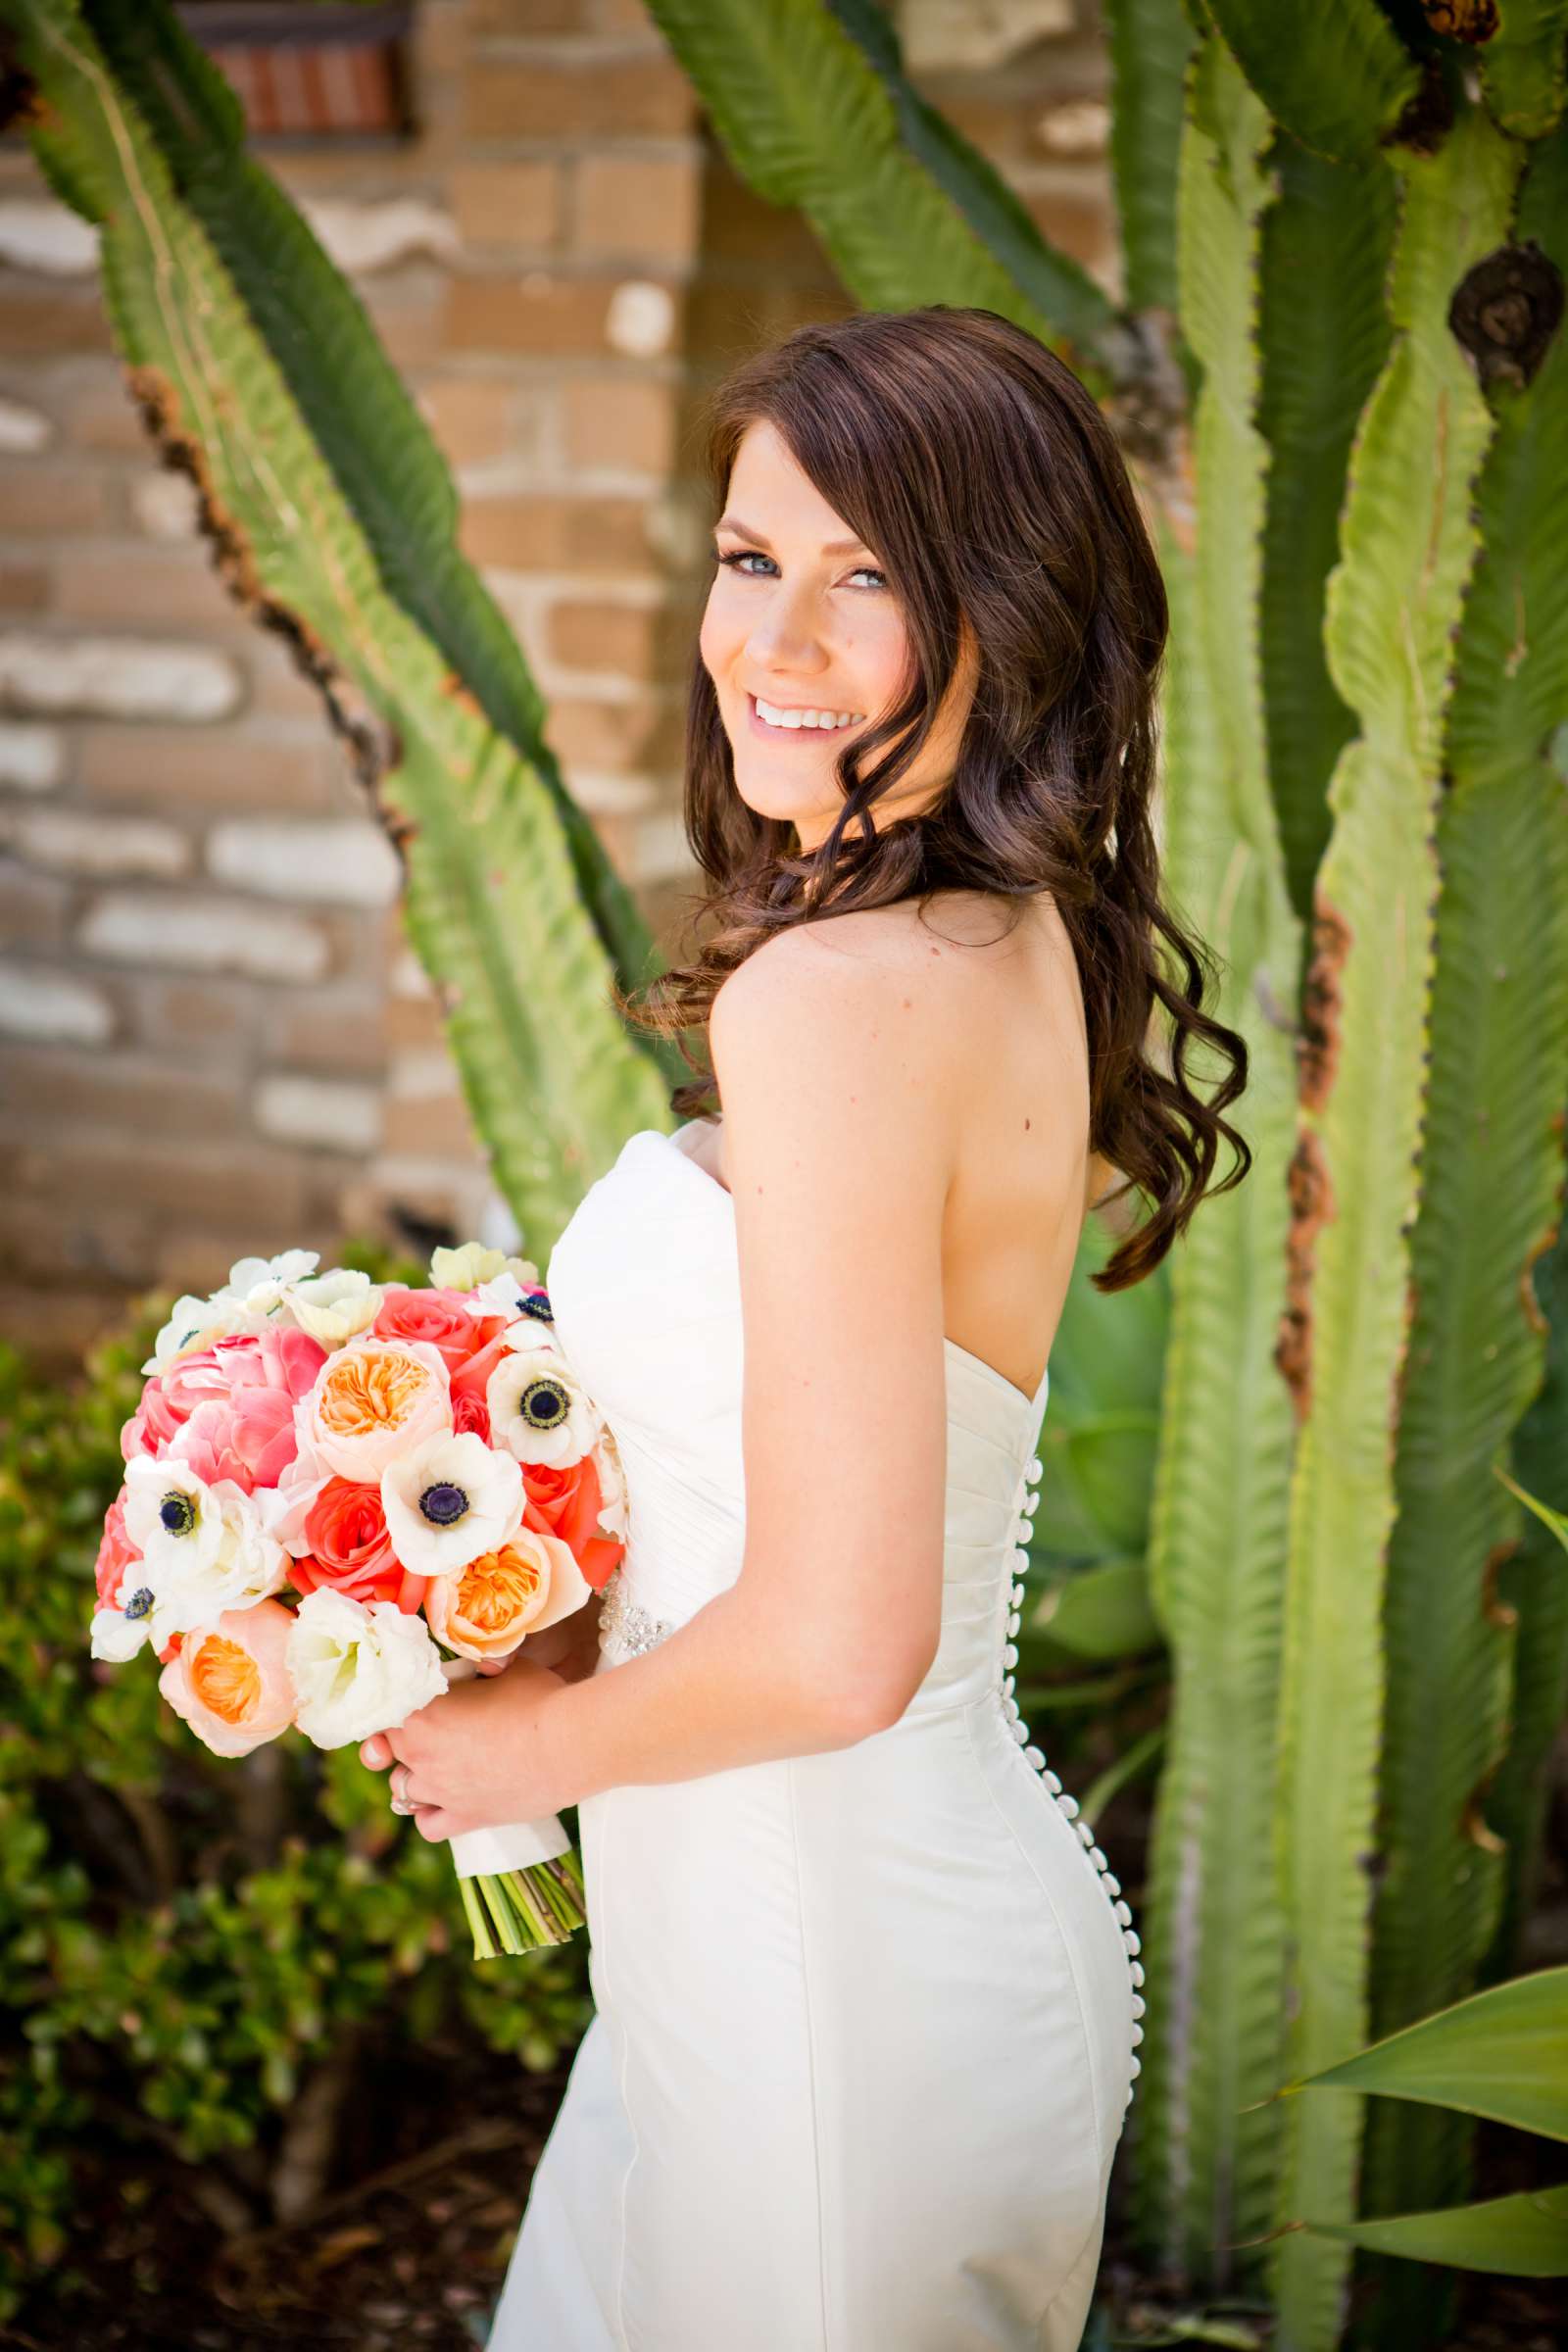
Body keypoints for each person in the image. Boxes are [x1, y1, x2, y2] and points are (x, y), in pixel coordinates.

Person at [360, 306, 1251, 2351]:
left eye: (872, 582)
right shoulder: (993, 937)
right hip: (796, 1967)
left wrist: (511, 1743)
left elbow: (848, 1641)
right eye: (752, 557)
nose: (774, 643)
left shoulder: (837, 996)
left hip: (821, 1993)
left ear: (1005, 625)